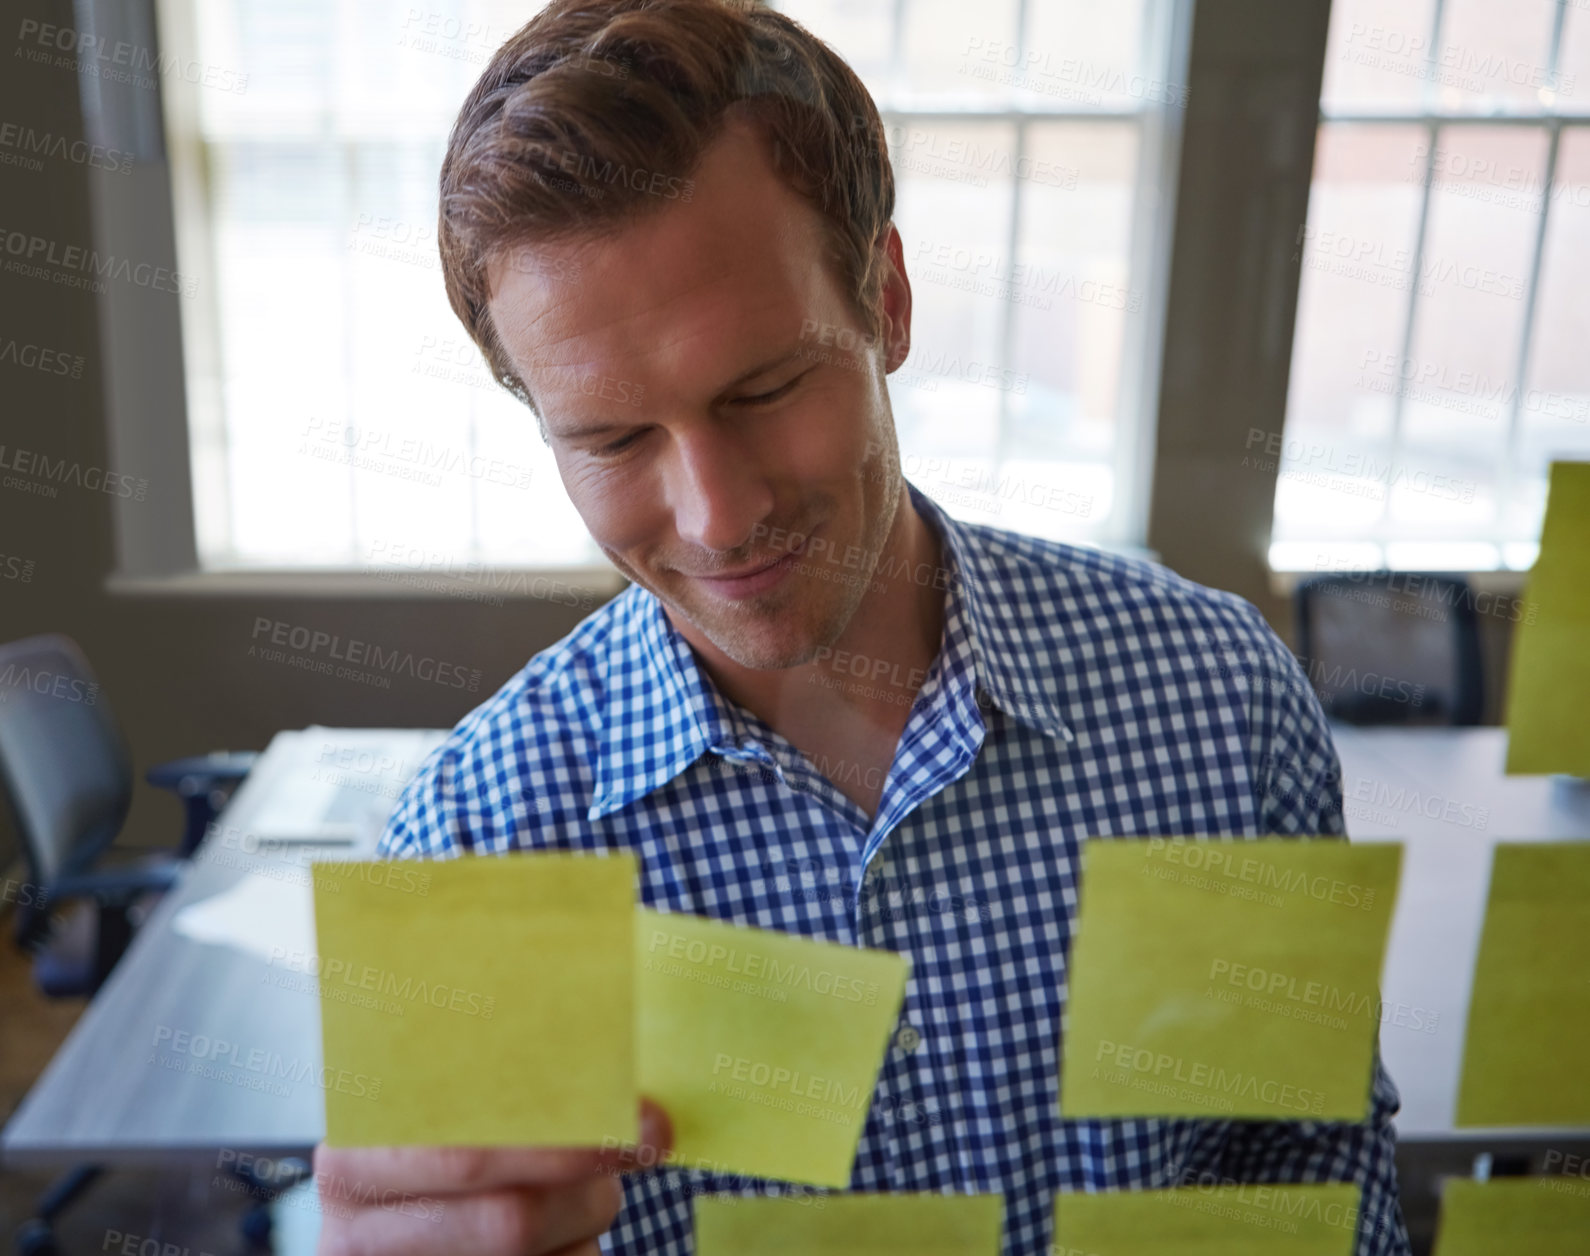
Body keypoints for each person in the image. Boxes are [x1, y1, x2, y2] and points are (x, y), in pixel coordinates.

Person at [314, 1, 1411, 1252]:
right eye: (613, 438)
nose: (717, 516)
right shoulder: (478, 842)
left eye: (768, 387)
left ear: (885, 299)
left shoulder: (1218, 702)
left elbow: (1302, 1158)